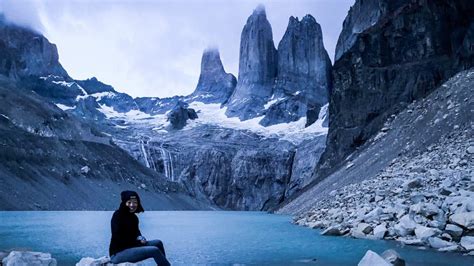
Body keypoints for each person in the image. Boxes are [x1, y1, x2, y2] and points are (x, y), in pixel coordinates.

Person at [109, 190, 170, 266]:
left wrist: (141, 238)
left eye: (135, 202)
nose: (132, 205)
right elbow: (119, 238)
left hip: (132, 247)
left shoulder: (133, 217)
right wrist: (138, 242)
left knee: (158, 243)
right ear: (124, 203)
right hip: (118, 253)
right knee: (154, 250)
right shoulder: (118, 215)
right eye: (129, 202)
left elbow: (137, 233)